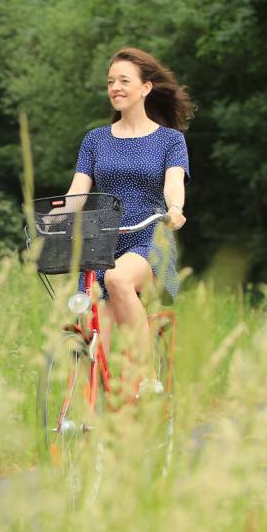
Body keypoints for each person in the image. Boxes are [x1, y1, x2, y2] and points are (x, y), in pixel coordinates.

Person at [66, 46, 194, 392]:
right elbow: (78, 192)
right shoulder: (95, 139)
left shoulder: (170, 141)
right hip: (103, 239)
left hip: (147, 237)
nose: (115, 88)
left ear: (145, 88)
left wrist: (176, 211)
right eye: (111, 82)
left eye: (124, 81)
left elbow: (173, 184)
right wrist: (57, 216)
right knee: (97, 344)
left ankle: (146, 370)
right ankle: (96, 423)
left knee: (118, 279)